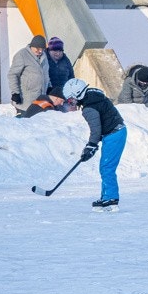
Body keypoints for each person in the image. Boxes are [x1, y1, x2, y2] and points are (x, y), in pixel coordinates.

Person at [61, 77, 127, 209]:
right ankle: (106, 196)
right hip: (115, 133)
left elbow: (96, 130)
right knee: (105, 167)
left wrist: (90, 147)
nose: (71, 103)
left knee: (106, 167)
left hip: (114, 134)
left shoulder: (89, 108)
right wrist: (92, 146)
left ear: (78, 94)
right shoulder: (94, 95)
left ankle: (111, 198)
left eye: (71, 99)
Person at [7, 34, 50, 115]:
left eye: (42, 49)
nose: (40, 51)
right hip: (25, 100)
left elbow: (46, 74)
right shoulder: (22, 55)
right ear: (32, 46)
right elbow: (12, 74)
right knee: (25, 125)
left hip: (41, 100)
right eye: (37, 48)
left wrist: (49, 86)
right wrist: (15, 93)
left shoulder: (44, 57)